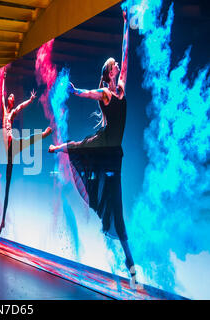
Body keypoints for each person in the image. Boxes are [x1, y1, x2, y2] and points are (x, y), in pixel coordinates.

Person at [48, 9, 137, 285]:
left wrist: (126, 26)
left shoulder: (121, 86)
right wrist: (75, 92)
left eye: (116, 67)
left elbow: (125, 54)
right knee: (78, 146)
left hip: (114, 157)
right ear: (107, 73)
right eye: (113, 67)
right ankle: (58, 148)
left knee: (118, 217)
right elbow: (89, 93)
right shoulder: (107, 94)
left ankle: (130, 266)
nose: (117, 68)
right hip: (103, 148)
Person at [0, 71, 53, 234]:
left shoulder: (13, 112)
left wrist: (29, 100)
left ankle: (43, 135)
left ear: (12, 101)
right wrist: (4, 78)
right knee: (7, 184)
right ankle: (2, 220)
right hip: (8, 148)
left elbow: (21, 106)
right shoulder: (5, 111)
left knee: (26, 140)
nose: (11, 98)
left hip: (11, 145)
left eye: (13, 97)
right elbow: (1, 94)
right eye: (10, 97)